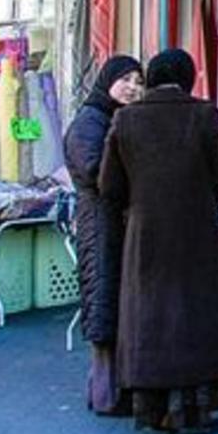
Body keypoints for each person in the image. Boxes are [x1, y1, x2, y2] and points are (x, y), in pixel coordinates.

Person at [99, 49, 218, 434]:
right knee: (195, 317)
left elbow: (108, 185)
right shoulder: (204, 115)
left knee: (152, 318)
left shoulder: (125, 119)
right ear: (188, 77)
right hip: (197, 235)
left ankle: (156, 409)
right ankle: (194, 410)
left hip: (144, 237)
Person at [63, 55, 143, 415]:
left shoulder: (116, 119)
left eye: (138, 82)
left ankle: (116, 392)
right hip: (100, 226)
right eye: (125, 79)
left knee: (115, 302)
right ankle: (106, 395)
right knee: (104, 302)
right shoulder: (89, 124)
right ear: (107, 81)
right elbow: (97, 174)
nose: (132, 88)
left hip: (117, 224)